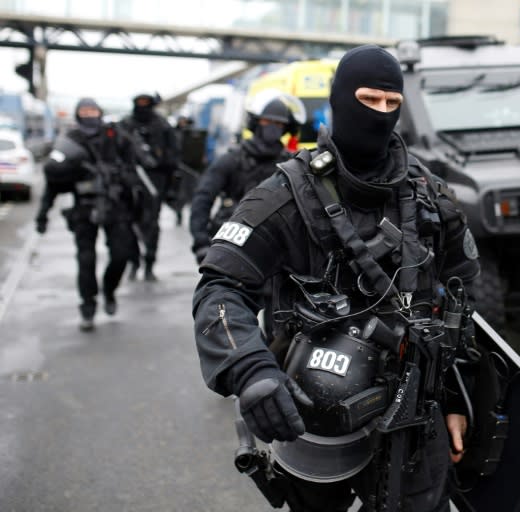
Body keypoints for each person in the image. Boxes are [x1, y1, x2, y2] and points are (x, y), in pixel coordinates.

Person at [192, 45, 481, 511]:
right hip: (313, 417)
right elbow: (220, 289)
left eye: (393, 104)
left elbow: (463, 302)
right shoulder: (284, 195)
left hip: (414, 418)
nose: (381, 114)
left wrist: (459, 400)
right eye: (369, 100)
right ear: (341, 100)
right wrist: (251, 371)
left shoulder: (429, 196)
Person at [37, 98, 141, 331]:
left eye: (92, 110)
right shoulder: (72, 140)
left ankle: (109, 289)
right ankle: (88, 306)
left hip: (115, 207)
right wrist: (43, 214)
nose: (89, 114)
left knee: (121, 255)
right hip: (84, 208)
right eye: (84, 111)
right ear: (77, 114)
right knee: (86, 260)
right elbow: (52, 181)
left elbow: (134, 165)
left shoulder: (114, 136)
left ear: (100, 112)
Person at [189, 90, 304, 264]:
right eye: (267, 121)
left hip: (276, 247)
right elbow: (202, 199)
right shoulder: (231, 160)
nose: (273, 127)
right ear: (256, 123)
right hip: (233, 243)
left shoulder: (290, 164)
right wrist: (201, 243)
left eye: (279, 124)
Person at [120, 93, 179, 281]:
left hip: (155, 181)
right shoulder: (126, 125)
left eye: (147, 103)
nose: (143, 107)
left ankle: (149, 263)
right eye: (140, 103)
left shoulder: (162, 125)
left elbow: (173, 155)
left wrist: (168, 182)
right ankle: (134, 261)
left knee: (151, 224)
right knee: (128, 224)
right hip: (130, 181)